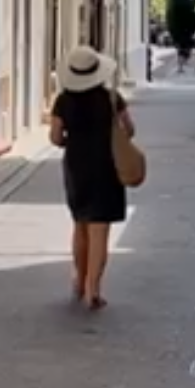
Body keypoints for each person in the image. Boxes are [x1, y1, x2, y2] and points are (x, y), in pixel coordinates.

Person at [49, 46, 135, 310]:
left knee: (80, 225)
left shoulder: (63, 101)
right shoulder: (111, 99)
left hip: (76, 166)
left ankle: (79, 279)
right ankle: (93, 289)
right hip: (106, 166)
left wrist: (71, 142)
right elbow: (129, 130)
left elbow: (55, 137)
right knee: (99, 230)